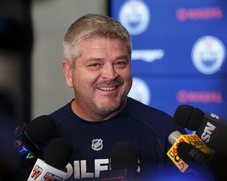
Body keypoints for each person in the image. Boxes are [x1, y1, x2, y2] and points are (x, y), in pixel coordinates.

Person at [44, 13, 190, 180]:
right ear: (69, 73)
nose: (111, 74)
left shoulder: (165, 133)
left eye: (120, 63)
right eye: (95, 64)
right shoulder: (43, 139)